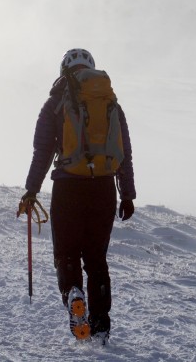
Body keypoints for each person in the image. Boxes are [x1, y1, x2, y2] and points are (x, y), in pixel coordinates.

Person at [20, 48, 136, 342]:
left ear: (64, 71)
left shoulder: (56, 103)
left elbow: (43, 151)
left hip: (68, 187)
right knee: (96, 259)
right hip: (104, 188)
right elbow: (125, 153)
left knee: (66, 253)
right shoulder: (111, 104)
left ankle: (74, 295)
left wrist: (31, 191)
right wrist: (127, 195)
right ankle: (100, 327)